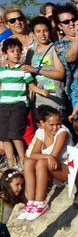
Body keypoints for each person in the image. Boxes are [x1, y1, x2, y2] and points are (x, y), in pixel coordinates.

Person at [17, 106, 71, 221]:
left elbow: (54, 156)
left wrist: (47, 157)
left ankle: (41, 203)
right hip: (52, 169)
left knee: (41, 163)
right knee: (28, 162)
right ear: (42, 123)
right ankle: (31, 202)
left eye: (58, 123)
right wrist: (47, 156)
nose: (55, 127)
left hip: (67, 170)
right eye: (51, 125)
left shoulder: (62, 132)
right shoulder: (40, 132)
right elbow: (32, 154)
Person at [0, 37, 35, 168]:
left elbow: (31, 85)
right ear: (5, 53)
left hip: (18, 105)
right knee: (3, 136)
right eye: (12, 51)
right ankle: (11, 163)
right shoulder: (1, 71)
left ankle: (23, 160)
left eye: (18, 51)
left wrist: (41, 91)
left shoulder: (23, 69)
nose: (16, 53)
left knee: (15, 134)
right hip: (3, 105)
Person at [25, 16, 69, 115]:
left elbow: (60, 74)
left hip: (54, 98)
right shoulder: (31, 51)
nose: (42, 34)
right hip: (37, 100)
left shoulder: (54, 48)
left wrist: (36, 70)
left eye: (45, 31)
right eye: (38, 31)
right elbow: (28, 74)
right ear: (33, 33)